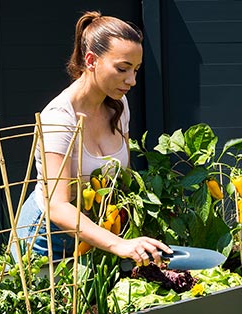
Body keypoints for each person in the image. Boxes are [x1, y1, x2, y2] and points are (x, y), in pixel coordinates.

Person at [15, 11, 171, 267]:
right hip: (47, 238)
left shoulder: (119, 105)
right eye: (122, 68)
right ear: (91, 60)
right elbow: (57, 206)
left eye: (136, 69)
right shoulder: (58, 118)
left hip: (98, 233)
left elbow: (123, 176)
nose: (131, 80)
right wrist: (118, 244)